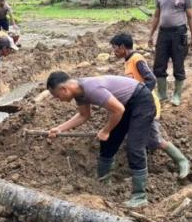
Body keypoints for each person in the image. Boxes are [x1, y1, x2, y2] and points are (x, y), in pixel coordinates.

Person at [46, 72, 155, 208]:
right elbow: (83, 115)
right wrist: (59, 129)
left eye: (57, 96)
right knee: (108, 142)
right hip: (124, 105)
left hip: (141, 101)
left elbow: (118, 110)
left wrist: (105, 130)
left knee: (134, 146)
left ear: (64, 89)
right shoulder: (79, 93)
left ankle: (140, 196)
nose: (59, 100)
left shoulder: (91, 89)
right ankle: (103, 183)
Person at [110, 33, 190, 178]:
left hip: (148, 106)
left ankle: (182, 160)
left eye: (115, 48)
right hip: (138, 107)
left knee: (154, 139)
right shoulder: (128, 61)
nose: (114, 51)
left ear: (122, 47)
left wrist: (141, 97)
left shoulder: (137, 59)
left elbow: (151, 80)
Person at [148, 0, 192, 106]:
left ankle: (177, 95)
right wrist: (151, 34)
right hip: (163, 33)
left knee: (178, 65)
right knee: (159, 65)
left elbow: (191, 18)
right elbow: (156, 16)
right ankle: (162, 94)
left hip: (178, 34)